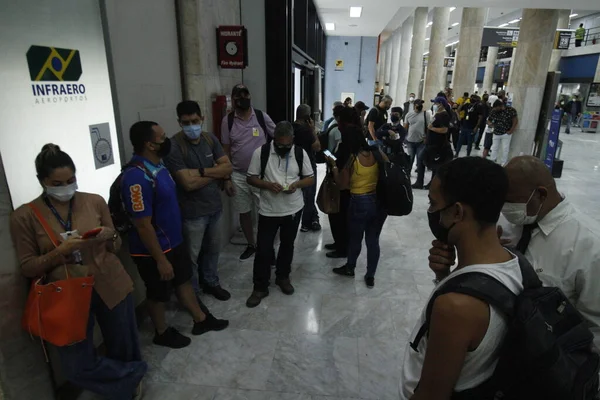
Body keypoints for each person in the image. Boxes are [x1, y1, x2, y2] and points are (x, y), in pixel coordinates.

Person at [10, 144, 147, 399]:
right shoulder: (25, 216)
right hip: (67, 294)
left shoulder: (93, 201)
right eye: (57, 183)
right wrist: (60, 251)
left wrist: (110, 235)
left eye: (71, 180)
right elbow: (28, 266)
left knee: (123, 345)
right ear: (42, 181)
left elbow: (115, 246)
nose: (65, 187)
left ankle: (127, 388)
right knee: (76, 366)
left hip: (110, 282)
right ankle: (131, 376)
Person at [429, 155, 600, 350]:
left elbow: (596, 330)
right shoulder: (505, 224)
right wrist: (446, 274)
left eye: (510, 201)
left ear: (540, 195)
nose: (504, 208)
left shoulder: (590, 247)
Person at [402, 157, 522, 399]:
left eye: (434, 204)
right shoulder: (514, 262)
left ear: (457, 212)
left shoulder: (456, 306)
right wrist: (444, 277)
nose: (431, 213)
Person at [123, 121, 229, 349]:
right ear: (149, 144)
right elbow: (142, 225)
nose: (167, 140)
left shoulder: (158, 167)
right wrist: (160, 259)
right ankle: (161, 332)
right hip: (154, 250)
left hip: (174, 241)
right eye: (162, 137)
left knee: (183, 280)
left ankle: (200, 319)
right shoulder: (136, 178)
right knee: (157, 293)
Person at [164, 101, 233, 301]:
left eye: (195, 121)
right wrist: (216, 173)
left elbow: (227, 168)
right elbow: (187, 184)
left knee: (213, 250)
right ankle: (192, 293)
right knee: (191, 257)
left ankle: (211, 282)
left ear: (201, 118)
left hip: (215, 207)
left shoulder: (209, 139)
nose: (191, 126)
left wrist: (201, 172)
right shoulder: (174, 146)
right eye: (186, 122)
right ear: (179, 122)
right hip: (192, 213)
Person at [245, 122, 315, 307]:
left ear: (292, 140)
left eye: (287, 145)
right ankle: (260, 286)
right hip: (268, 209)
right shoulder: (261, 153)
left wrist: (296, 185)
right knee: (264, 249)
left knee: (287, 246)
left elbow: (310, 178)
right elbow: (250, 178)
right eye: (280, 144)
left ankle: (282, 277)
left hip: (293, 209)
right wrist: (268, 185)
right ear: (274, 140)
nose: (283, 148)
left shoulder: (300, 153)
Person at [221, 84, 276, 261]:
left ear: (250, 96)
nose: (241, 98)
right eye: (237, 96)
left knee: (265, 212)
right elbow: (225, 150)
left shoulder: (261, 117)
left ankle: (267, 248)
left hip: (261, 175)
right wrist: (226, 177)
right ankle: (252, 245)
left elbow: (279, 137)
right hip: (238, 175)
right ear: (233, 99)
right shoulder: (227, 121)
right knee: (244, 212)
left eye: (245, 94)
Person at [328, 125, 388, 288]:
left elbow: (342, 184)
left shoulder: (353, 158)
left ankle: (350, 267)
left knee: (355, 238)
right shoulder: (378, 153)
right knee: (373, 240)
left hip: (359, 201)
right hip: (379, 202)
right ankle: (370, 275)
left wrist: (333, 166)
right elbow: (388, 170)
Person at [324, 107, 362, 260]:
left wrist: (332, 163)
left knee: (340, 217)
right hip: (344, 185)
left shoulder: (349, 140)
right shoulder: (353, 136)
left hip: (344, 186)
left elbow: (342, 165)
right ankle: (339, 243)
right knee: (337, 217)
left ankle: (342, 248)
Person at [292, 104, 321, 232]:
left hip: (293, 165)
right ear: (307, 117)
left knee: (300, 194)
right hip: (307, 165)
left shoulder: (291, 128)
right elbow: (317, 147)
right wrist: (313, 131)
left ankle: (314, 218)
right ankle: (306, 223)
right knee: (309, 195)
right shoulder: (306, 131)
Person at [414, 96, 452, 190]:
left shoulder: (444, 115)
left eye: (435, 103)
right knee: (422, 160)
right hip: (430, 143)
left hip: (437, 144)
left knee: (431, 163)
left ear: (441, 104)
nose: (434, 105)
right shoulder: (437, 114)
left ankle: (430, 183)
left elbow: (444, 130)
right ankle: (420, 181)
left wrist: (432, 129)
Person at [488, 100, 519, 165]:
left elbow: (515, 120)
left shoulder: (511, 110)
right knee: (494, 148)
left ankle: (503, 163)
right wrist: (490, 124)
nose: (495, 109)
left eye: (496, 108)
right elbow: (489, 120)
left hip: (506, 133)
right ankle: (492, 162)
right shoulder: (494, 111)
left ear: (500, 106)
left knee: (505, 149)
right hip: (496, 132)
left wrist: (511, 130)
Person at [404, 99, 429, 173]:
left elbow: (428, 127)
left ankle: (419, 176)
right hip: (410, 141)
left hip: (421, 141)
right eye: (418, 104)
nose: (420, 106)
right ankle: (407, 174)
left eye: (421, 104)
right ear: (414, 105)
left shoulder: (425, 114)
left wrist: (426, 137)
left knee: (420, 159)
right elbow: (405, 126)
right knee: (410, 159)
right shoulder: (409, 114)